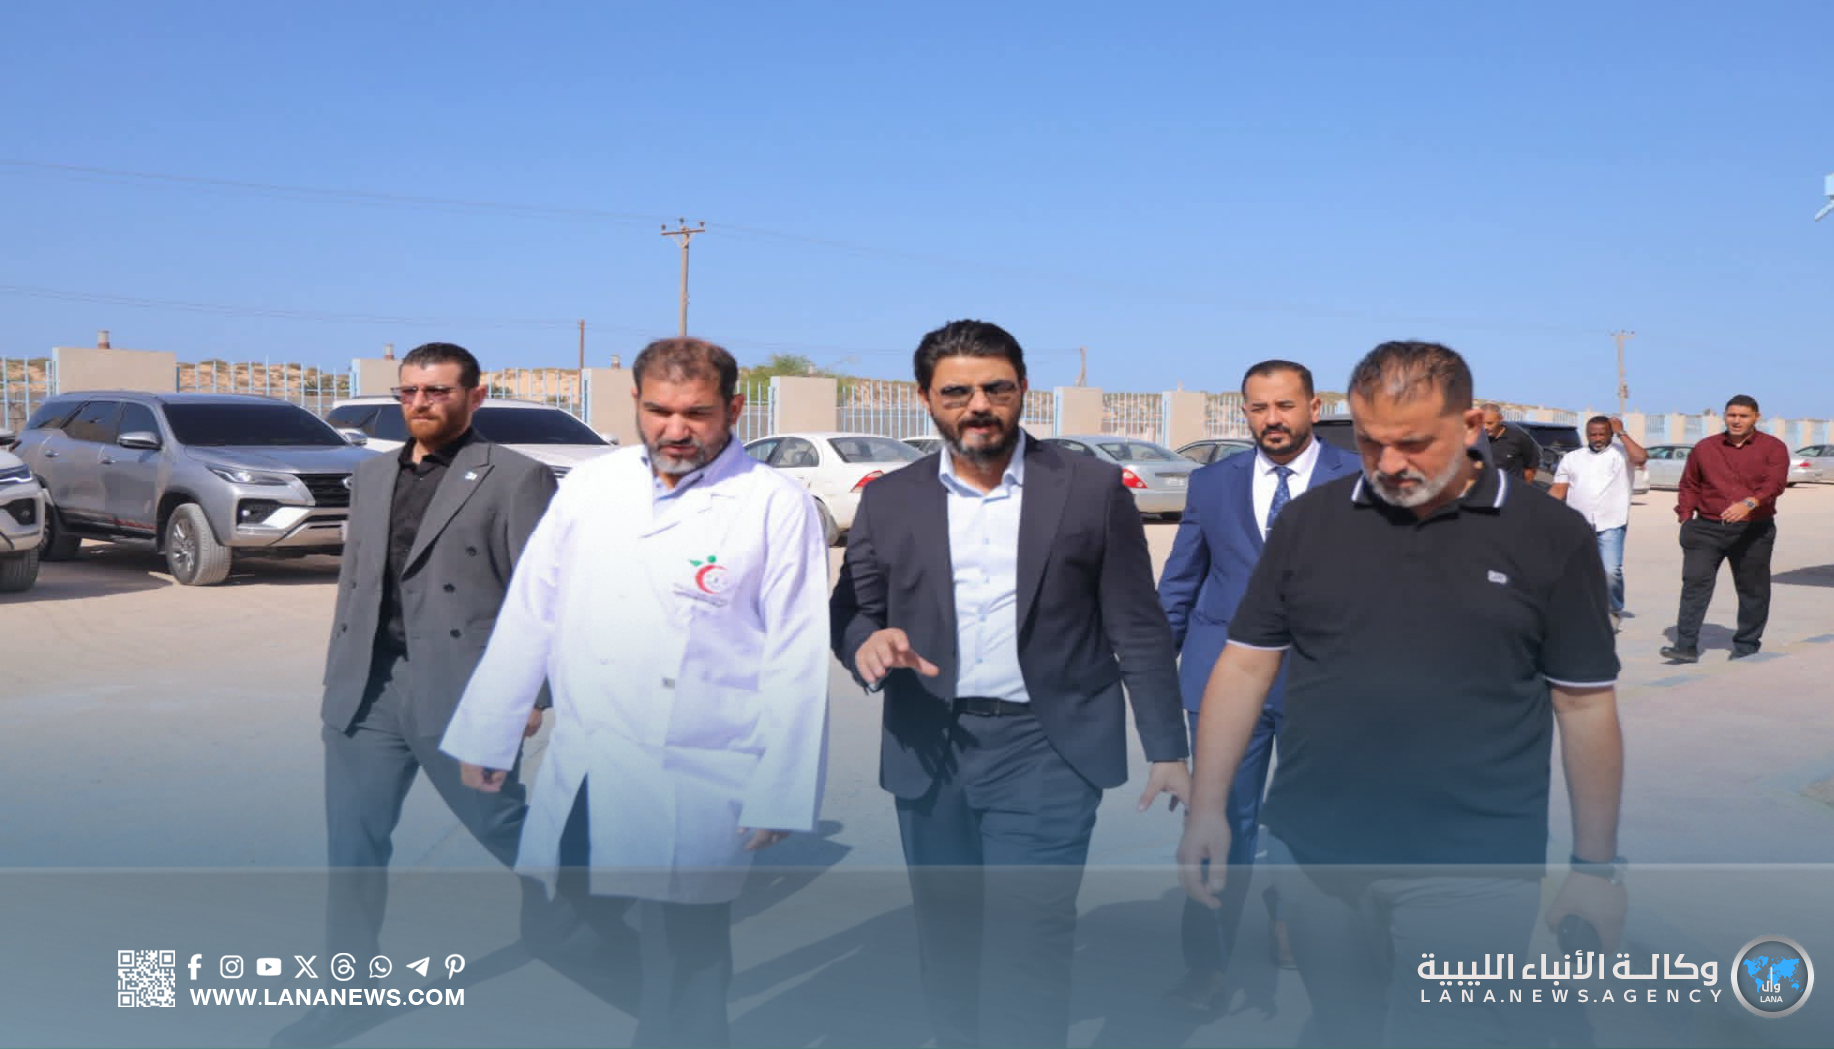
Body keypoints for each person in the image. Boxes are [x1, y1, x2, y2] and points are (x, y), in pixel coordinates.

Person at [1178, 341, 1626, 1048]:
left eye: (1413, 443)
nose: (1388, 464)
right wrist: (1209, 809)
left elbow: (1585, 703)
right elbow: (1244, 667)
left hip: (1474, 863)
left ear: (1471, 424)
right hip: (1318, 854)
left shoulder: (1549, 535)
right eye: (1368, 442)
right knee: (1342, 1027)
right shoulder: (1310, 523)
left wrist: (1595, 868)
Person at [441, 337, 830, 1047]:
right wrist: (490, 726)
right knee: (555, 925)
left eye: (697, 413)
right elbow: (533, 608)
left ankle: (680, 1028)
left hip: (698, 766)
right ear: (636, 404)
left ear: (734, 409)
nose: (675, 429)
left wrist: (783, 787)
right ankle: (683, 1026)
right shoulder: (592, 487)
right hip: (591, 758)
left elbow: (795, 653)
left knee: (685, 952)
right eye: (659, 410)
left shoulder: (774, 504)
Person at [829, 319, 1190, 1048]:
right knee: (949, 941)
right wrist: (867, 642)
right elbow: (853, 608)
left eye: (996, 388)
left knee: (1029, 943)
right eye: (956, 392)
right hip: (930, 749)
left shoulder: (1089, 489)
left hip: (1046, 749)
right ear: (925, 399)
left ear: (1023, 389)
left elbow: (1137, 622)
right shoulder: (890, 498)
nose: (978, 406)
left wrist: (1167, 747)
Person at [276, 342, 558, 1049]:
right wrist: (338, 673)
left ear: (475, 396)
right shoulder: (371, 474)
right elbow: (357, 582)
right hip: (367, 689)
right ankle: (346, 996)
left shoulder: (515, 477)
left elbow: (545, 595)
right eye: (408, 392)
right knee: (354, 850)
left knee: (503, 828)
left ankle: (585, 912)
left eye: (436, 391)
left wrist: (533, 692)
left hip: (464, 690)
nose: (420, 404)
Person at [1155, 359, 1361, 1011]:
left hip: (1322, 684)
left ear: (1314, 408)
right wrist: (1156, 675)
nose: (1272, 419)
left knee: (1309, 825)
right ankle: (1206, 965)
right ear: (1244, 411)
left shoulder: (1357, 479)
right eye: (1258, 407)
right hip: (1222, 681)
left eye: (1285, 406)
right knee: (1219, 819)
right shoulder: (1212, 482)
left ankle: (1291, 917)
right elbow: (1182, 581)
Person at [1660, 395, 1789, 663]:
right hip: (1706, 529)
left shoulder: (1773, 447)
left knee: (1752, 589)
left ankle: (1746, 645)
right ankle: (1685, 646)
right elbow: (1690, 484)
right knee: (1695, 584)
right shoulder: (1705, 447)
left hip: (1753, 530)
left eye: (1743, 416)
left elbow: (1775, 484)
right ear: (1725, 416)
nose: (1737, 421)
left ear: (1756, 417)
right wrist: (1685, 517)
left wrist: (1749, 503)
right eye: (1732, 415)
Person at [1551, 416, 1649, 633]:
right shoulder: (1572, 458)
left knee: (1610, 571)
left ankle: (1612, 609)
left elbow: (1641, 457)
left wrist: (1622, 432)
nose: (1597, 438)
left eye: (1602, 434)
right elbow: (1558, 489)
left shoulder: (1623, 454)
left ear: (1610, 434)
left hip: (1612, 521)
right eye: (1592, 434)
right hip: (1578, 524)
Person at [1481, 403, 1541, 485]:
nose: (1485, 427)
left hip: (1510, 489)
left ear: (1501, 419)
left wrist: (1523, 487)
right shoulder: (1475, 437)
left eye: (1490, 423)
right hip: (1484, 489)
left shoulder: (1519, 437)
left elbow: (1531, 467)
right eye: (1481, 423)